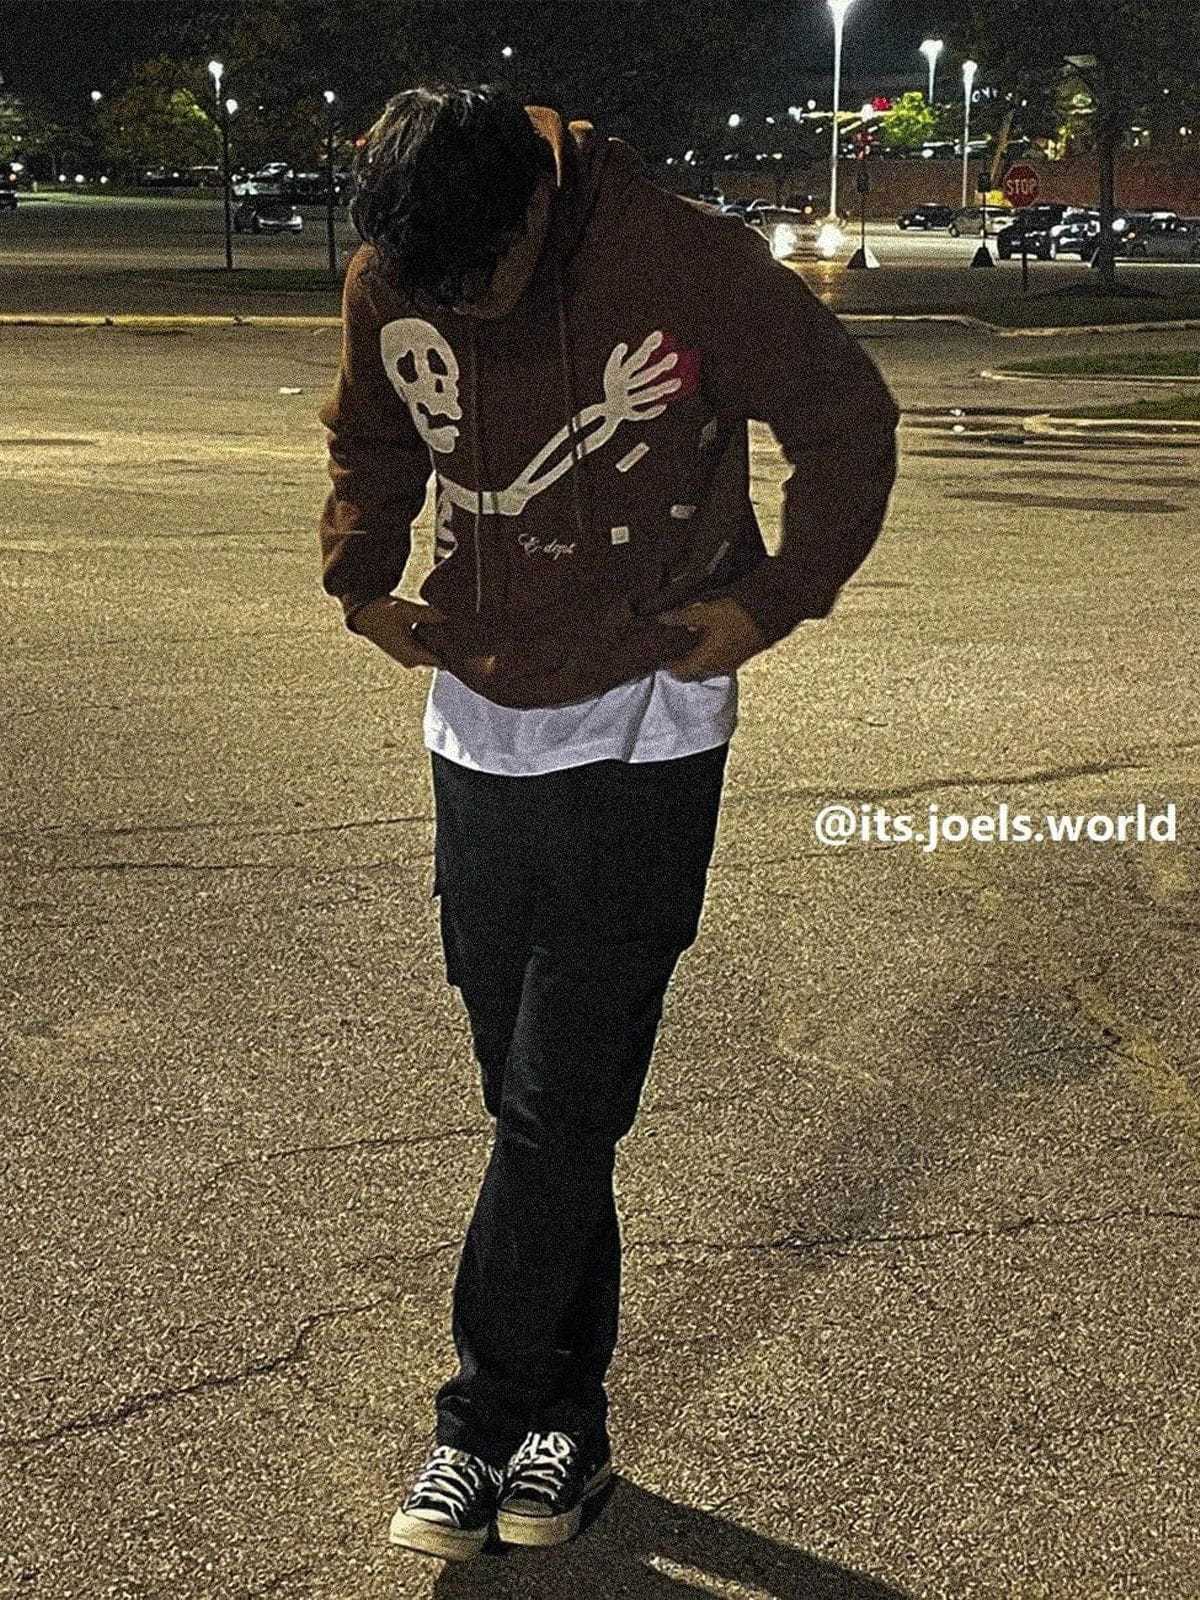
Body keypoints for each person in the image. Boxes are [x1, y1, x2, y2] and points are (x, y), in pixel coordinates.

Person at [317, 81, 899, 1563]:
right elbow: (375, 434)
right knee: (531, 1102)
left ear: (539, 201)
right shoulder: (402, 256)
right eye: (435, 287)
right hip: (478, 714)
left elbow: (846, 417)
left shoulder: (678, 256)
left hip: (649, 718)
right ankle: (566, 1431)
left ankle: (477, 1421)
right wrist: (363, 576)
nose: (465, 307)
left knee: (557, 1103)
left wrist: (774, 600)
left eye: (489, 277)